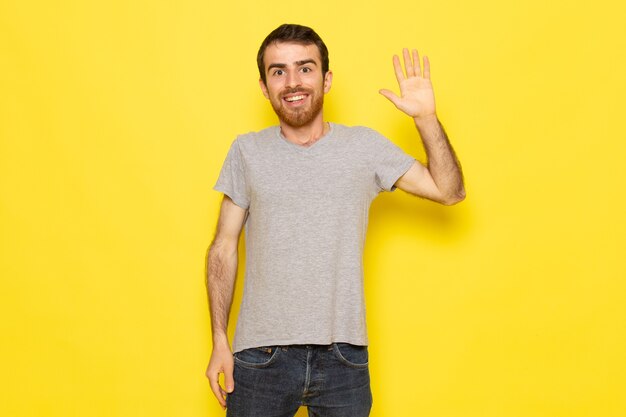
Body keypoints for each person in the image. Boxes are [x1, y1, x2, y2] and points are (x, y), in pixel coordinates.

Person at [205, 23, 465, 417]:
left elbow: (449, 191)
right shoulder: (247, 151)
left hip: (343, 357)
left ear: (326, 79)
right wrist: (219, 341)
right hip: (260, 356)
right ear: (264, 86)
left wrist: (426, 119)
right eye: (278, 71)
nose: (293, 82)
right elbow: (223, 247)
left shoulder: (363, 147)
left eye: (305, 68)